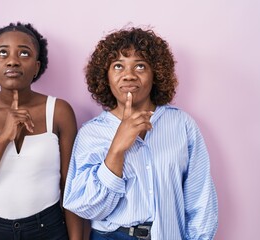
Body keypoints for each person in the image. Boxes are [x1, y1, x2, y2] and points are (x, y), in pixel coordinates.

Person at [63, 26, 218, 239]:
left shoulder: (181, 124)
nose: (128, 75)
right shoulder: (91, 133)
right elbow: (87, 207)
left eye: (140, 66)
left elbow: (200, 197)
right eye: (118, 66)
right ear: (105, 76)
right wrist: (117, 149)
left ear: (155, 74)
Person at [0, 22, 83, 240]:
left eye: (24, 53)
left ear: (37, 66)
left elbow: (71, 186)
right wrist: (3, 138)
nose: (12, 60)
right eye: (3, 53)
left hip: (48, 229)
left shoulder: (59, 111)